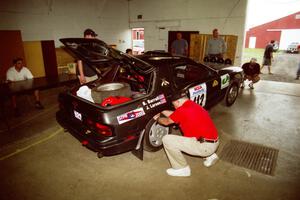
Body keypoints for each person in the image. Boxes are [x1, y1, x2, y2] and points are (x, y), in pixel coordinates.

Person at [153, 93, 219, 177]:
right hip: (213, 141)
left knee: (167, 139)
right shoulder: (192, 105)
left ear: (178, 101)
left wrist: (157, 119)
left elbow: (166, 122)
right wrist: (162, 110)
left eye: (174, 105)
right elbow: (175, 115)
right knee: (198, 134)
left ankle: (182, 169)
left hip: (205, 146)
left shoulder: (183, 110)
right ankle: (211, 156)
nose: (175, 108)